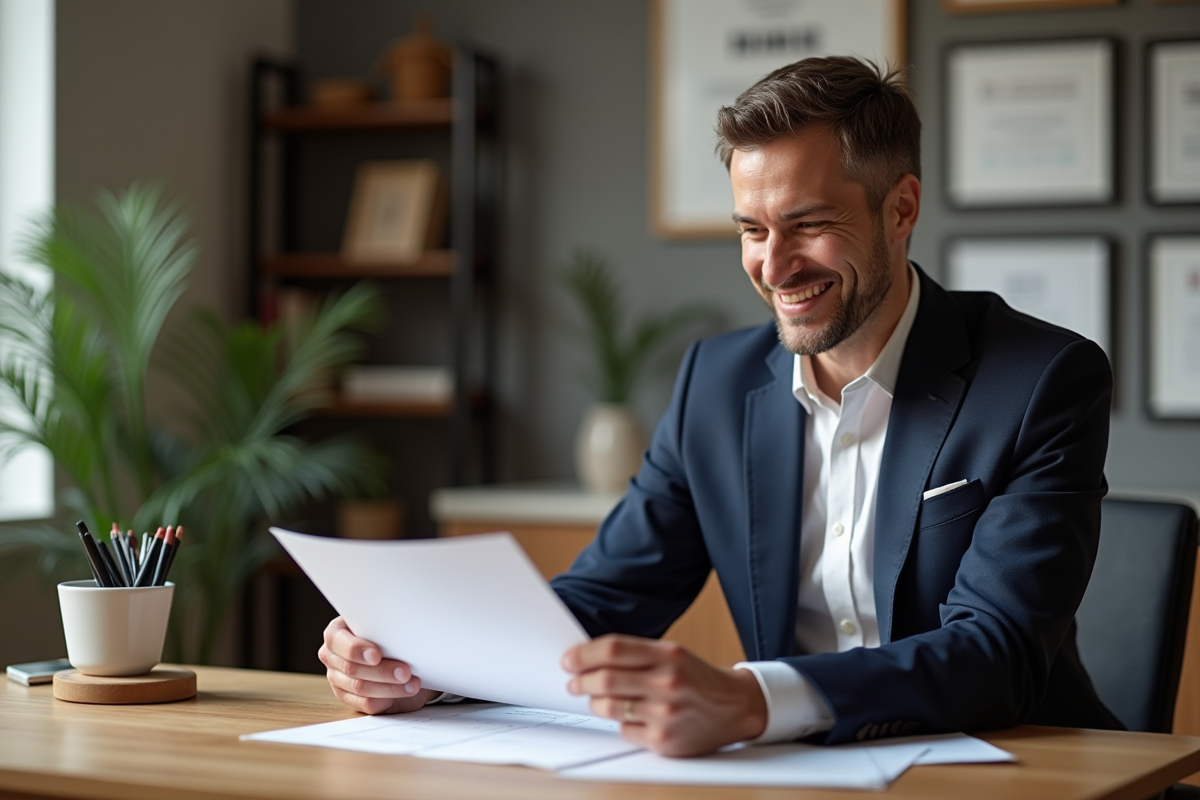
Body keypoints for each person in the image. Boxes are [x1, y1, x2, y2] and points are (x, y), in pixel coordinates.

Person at [319, 56, 1120, 757]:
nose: (774, 266)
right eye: (750, 229)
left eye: (807, 225)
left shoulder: (1042, 379)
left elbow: (997, 651)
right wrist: (425, 666)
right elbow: (606, 596)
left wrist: (753, 698)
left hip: (1015, 767)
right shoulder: (716, 382)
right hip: (786, 774)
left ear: (901, 208)